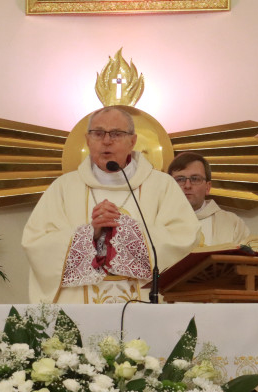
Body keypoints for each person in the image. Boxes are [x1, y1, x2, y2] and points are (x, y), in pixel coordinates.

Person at [22, 106, 200, 303]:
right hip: (79, 309)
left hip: (146, 306)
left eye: (116, 133)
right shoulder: (63, 188)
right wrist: (91, 233)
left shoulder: (162, 185)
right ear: (88, 140)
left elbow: (185, 240)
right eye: (98, 134)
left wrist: (126, 230)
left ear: (132, 141)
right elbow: (37, 244)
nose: (106, 141)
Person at [167, 151, 249, 247]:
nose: (187, 185)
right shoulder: (156, 222)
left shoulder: (233, 224)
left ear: (208, 187)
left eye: (195, 179)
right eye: (180, 179)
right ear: (169, 185)